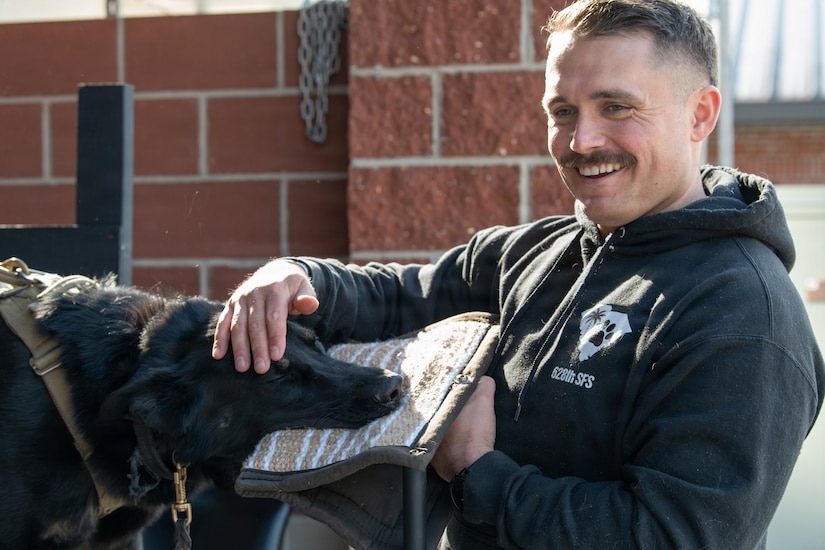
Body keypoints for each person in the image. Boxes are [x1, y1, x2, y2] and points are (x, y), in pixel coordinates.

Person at [212, 0, 825, 547]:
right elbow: (403, 298)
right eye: (563, 110)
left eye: (617, 107)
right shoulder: (538, 251)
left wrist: (479, 473)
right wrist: (295, 280)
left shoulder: (744, 314)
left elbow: (671, 534)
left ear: (701, 115)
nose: (582, 141)